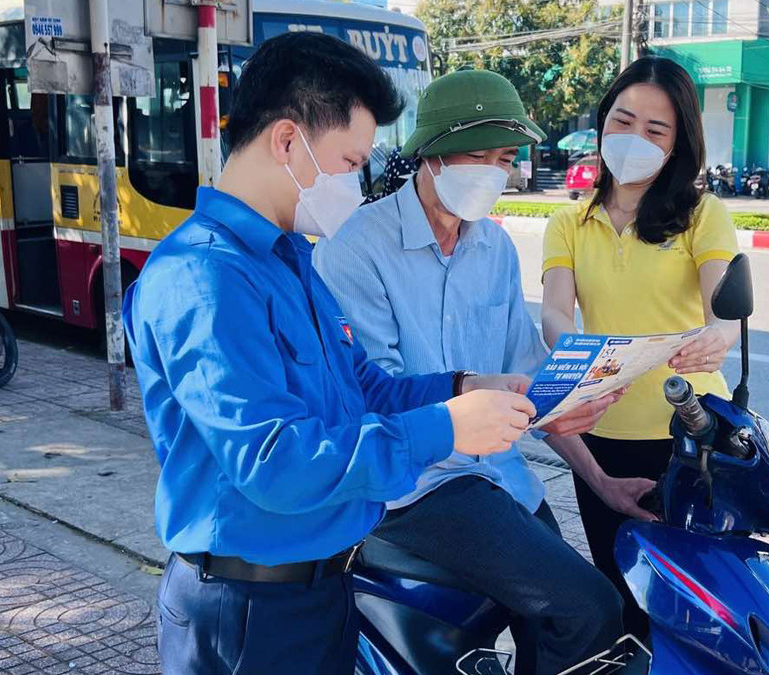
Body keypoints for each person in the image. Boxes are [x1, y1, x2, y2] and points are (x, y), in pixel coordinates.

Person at [124, 33, 538, 675]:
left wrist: (461, 386)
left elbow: (361, 388)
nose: (358, 182)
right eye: (350, 162)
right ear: (288, 142)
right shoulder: (206, 279)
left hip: (323, 586)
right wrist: (447, 427)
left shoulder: (293, 260)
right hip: (250, 609)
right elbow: (276, 461)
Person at [314, 69, 649, 675]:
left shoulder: (493, 249)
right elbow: (375, 394)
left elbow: (530, 376)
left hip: (498, 474)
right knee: (588, 608)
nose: (493, 172)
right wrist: (476, 398)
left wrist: (600, 479)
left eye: (504, 158)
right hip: (416, 484)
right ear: (432, 154)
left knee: (587, 609)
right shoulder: (356, 250)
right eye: (477, 155)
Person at [540, 56, 742, 639]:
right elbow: (555, 311)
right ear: (603, 122)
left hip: (692, 432)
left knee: (695, 601)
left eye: (655, 130)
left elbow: (724, 313)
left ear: (678, 143)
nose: (634, 139)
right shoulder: (568, 223)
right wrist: (576, 349)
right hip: (601, 431)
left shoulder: (702, 215)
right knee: (622, 588)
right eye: (622, 121)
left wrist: (718, 338)